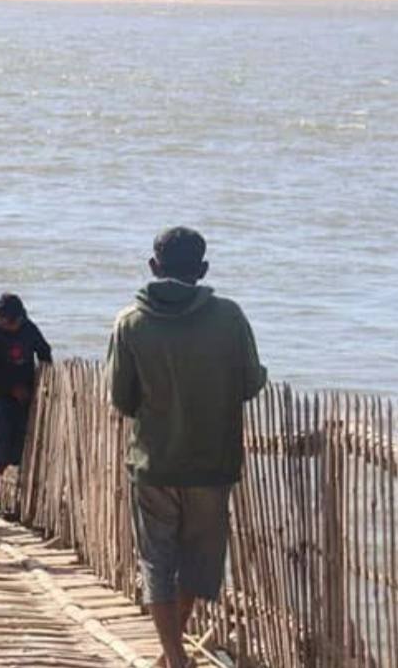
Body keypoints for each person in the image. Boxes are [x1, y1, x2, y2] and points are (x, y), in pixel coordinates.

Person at [107, 227, 265, 668]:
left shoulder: (130, 323)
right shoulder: (229, 318)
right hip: (210, 464)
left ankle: (173, 656)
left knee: (157, 561)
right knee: (198, 562)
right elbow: (250, 383)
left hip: (153, 463)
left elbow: (121, 398)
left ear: (154, 267)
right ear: (203, 270)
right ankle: (173, 655)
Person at [0, 293, 51, 513]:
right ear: (0, 318)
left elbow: (45, 352)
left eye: (18, 321)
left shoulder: (28, 328)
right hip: (2, 399)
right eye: (11, 322)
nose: (15, 326)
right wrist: (10, 388)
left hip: (27, 399)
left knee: (15, 452)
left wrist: (45, 382)